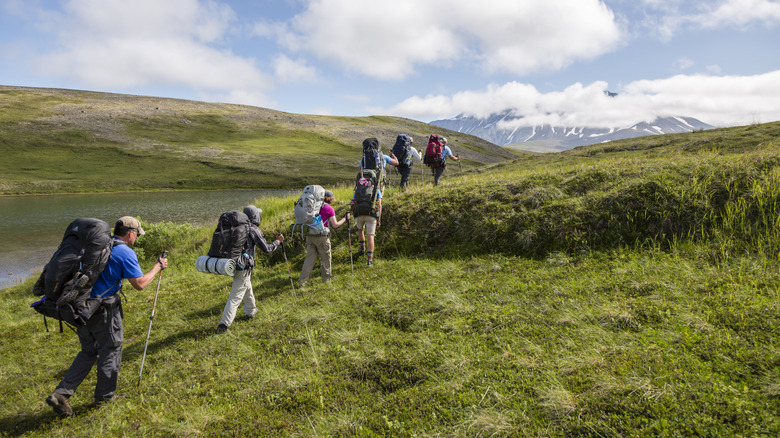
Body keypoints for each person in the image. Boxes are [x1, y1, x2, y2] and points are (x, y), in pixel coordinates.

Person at [45, 216, 168, 417]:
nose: (137, 238)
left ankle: (61, 393)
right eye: (137, 234)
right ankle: (105, 398)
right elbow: (140, 284)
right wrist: (157, 267)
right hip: (103, 311)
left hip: (80, 308)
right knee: (110, 349)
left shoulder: (98, 247)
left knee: (88, 351)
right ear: (131, 233)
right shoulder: (124, 252)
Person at [217, 205, 283, 334]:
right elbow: (267, 249)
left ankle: (251, 311)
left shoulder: (235, 227)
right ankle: (223, 325)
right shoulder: (253, 229)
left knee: (246, 286)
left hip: (232, 264)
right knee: (235, 297)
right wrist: (278, 242)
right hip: (244, 266)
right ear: (255, 217)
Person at [355, 147, 398, 267]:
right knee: (371, 236)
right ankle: (370, 260)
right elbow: (380, 203)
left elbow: (354, 199)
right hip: (371, 212)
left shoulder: (359, 185)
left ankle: (361, 249)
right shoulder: (383, 157)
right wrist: (379, 218)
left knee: (360, 229)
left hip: (359, 211)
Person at [298, 190, 350, 287]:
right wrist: (345, 219)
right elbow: (335, 225)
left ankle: (302, 282)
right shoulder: (328, 209)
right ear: (330, 199)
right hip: (321, 237)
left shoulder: (311, 207)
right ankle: (326, 281)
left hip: (309, 236)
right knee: (326, 259)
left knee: (309, 259)